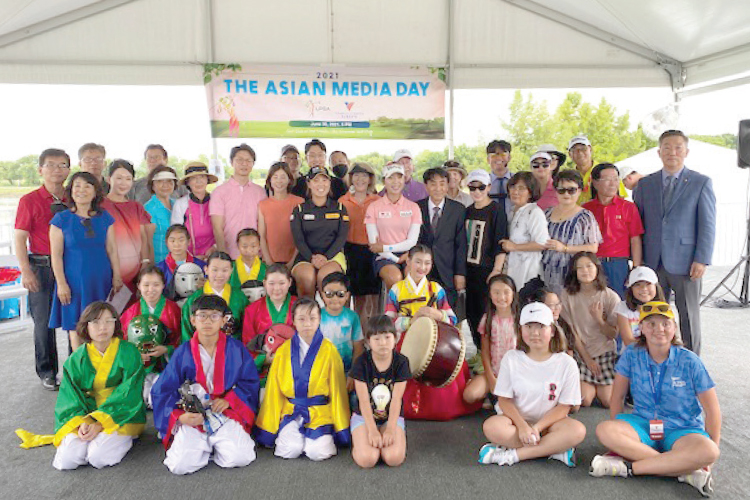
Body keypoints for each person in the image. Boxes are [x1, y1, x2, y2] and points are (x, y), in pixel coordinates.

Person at [591, 302, 721, 497]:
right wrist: (616, 437)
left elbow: (713, 411)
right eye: (651, 324)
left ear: (674, 328)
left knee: (709, 451)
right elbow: (617, 397)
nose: (659, 329)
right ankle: (681, 468)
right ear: (641, 328)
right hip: (643, 424)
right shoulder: (632, 355)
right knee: (605, 430)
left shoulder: (690, 361)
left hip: (682, 429)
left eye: (665, 324)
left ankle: (631, 467)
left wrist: (708, 462)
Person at [151, 294, 260, 475]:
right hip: (192, 413)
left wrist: (230, 400)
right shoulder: (183, 353)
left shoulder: (236, 349)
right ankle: (204, 443)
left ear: (224, 320)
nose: (208, 321)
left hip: (224, 411)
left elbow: (249, 381)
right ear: (193, 320)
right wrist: (179, 416)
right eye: (202, 315)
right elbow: (163, 390)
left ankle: (211, 443)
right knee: (180, 466)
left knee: (241, 457)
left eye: (214, 316)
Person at [634, 130, 716, 355]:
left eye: (678, 147)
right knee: (652, 315)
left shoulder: (701, 182)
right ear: (659, 152)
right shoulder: (645, 184)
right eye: (667, 147)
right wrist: (638, 262)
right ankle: (654, 360)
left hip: (687, 262)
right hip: (652, 262)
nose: (672, 152)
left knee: (688, 315)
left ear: (686, 152)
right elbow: (637, 225)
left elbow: (707, 224)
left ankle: (691, 364)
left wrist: (702, 259)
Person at [479, 302, 585, 468]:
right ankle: (554, 449)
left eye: (541, 327)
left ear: (552, 331)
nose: (534, 333)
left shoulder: (567, 363)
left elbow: (564, 407)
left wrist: (536, 428)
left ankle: (514, 454)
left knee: (577, 430)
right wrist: (522, 426)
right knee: (492, 427)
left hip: (550, 425)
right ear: (520, 330)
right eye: (528, 327)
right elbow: (504, 400)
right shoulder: (511, 358)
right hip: (515, 423)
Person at [384, 245, 480, 420]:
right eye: (418, 262)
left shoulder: (436, 289)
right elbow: (388, 322)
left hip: (436, 341)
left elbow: (452, 319)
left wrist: (437, 314)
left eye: (427, 263)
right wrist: (411, 320)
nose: (422, 267)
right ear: (409, 261)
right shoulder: (397, 290)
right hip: (406, 340)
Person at [51, 302, 145, 470]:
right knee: (67, 460)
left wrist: (101, 422)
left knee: (98, 457)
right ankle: (90, 435)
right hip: (86, 413)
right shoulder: (77, 358)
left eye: (109, 321)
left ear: (116, 324)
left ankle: (124, 438)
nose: (103, 327)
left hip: (121, 414)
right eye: (96, 322)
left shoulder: (129, 352)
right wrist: (81, 423)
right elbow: (69, 397)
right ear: (86, 326)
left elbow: (129, 393)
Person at [255, 298, 351, 460]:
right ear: (293, 321)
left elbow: (338, 391)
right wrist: (267, 429)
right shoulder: (283, 351)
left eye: (312, 318)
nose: (307, 324)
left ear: (319, 319)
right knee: (290, 450)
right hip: (291, 410)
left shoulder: (330, 351)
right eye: (302, 319)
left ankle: (318, 438)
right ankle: (298, 437)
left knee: (317, 453)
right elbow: (274, 391)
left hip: (320, 412)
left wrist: (342, 428)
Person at [14, 148, 71, 390]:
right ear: (40, 170)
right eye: (51, 165)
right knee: (43, 323)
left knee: (74, 319)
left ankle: (75, 370)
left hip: (70, 266)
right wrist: (25, 270)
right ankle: (47, 371)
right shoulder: (29, 200)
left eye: (62, 165)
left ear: (69, 170)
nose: (57, 170)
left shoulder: (74, 197)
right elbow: (19, 238)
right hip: (41, 267)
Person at [49, 172, 122, 351]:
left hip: (101, 280)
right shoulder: (61, 219)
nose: (82, 190)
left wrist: (117, 275)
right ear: (71, 191)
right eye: (77, 186)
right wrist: (61, 284)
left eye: (87, 186)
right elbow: (56, 255)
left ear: (95, 191)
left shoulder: (105, 218)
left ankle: (103, 369)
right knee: (75, 326)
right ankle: (80, 370)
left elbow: (112, 249)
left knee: (102, 324)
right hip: (74, 283)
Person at [560, 252, 620, 408]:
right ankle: (591, 387)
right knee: (584, 400)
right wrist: (587, 359)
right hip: (581, 354)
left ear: (597, 268)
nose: (585, 271)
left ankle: (602, 387)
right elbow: (571, 331)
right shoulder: (567, 295)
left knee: (608, 401)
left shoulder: (610, 296)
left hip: (604, 353)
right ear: (574, 272)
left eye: (589, 266)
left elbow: (613, 334)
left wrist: (599, 319)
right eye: (580, 268)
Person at [350, 315, 410, 468]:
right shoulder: (361, 363)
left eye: (387, 337)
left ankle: (383, 438)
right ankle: (361, 443)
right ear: (368, 342)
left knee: (393, 458)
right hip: (364, 417)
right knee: (368, 460)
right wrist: (371, 430)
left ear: (395, 339)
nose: (383, 343)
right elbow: (363, 401)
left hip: (391, 416)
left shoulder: (401, 362)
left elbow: (397, 399)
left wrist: (390, 429)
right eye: (376, 339)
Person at [120, 265, 181, 406]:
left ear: (163, 285)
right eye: (146, 285)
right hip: (139, 366)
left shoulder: (173, 309)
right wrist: (136, 355)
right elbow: (122, 342)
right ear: (138, 286)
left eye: (156, 285)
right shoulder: (131, 312)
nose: (150, 289)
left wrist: (167, 349)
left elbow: (182, 338)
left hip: (166, 364)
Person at [583, 163, 644, 298]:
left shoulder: (628, 207)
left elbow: (635, 239)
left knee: (619, 305)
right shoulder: (586, 209)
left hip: (618, 265)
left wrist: (636, 268)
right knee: (594, 304)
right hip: (592, 263)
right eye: (607, 180)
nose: (613, 183)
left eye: (616, 179)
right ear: (595, 183)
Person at [464, 169, 508, 349]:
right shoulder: (467, 211)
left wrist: (496, 270)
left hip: (488, 269)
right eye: (472, 188)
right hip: (470, 270)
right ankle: (479, 351)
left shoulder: (496, 210)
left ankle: (489, 352)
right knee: (471, 312)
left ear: (489, 187)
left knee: (486, 311)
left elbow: (500, 242)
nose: (476, 192)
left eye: (481, 187)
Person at [290, 166, 350, 297]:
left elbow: (341, 238)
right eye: (316, 181)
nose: (320, 185)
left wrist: (326, 258)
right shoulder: (299, 209)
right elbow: (298, 239)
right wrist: (312, 258)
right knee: (306, 278)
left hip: (333, 255)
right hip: (306, 256)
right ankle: (308, 314)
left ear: (329, 183)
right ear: (309, 184)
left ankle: (328, 316)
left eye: (324, 180)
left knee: (327, 279)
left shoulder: (339, 208)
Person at [542, 170, 602, 294]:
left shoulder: (585, 216)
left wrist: (564, 248)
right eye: (561, 190)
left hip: (573, 273)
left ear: (580, 191)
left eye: (571, 190)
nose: (566, 194)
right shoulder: (546, 213)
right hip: (546, 270)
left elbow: (593, 247)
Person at [365, 163, 422, 291]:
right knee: (395, 278)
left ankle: (410, 311)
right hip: (384, 256)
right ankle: (397, 311)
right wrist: (395, 258)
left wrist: (399, 253)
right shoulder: (374, 207)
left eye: (399, 177)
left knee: (413, 279)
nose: (395, 182)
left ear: (404, 180)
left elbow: (412, 242)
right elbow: (375, 245)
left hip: (408, 254)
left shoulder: (413, 207)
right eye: (391, 178)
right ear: (384, 180)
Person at [463, 275, 518, 405]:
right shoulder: (488, 319)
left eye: (506, 292)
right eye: (496, 292)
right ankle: (490, 393)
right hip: (494, 372)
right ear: (490, 295)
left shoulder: (520, 319)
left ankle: (498, 399)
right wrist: (491, 377)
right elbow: (485, 352)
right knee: (469, 395)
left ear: (513, 293)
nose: (501, 297)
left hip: (517, 374)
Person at [417, 167, 467, 307]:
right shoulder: (416, 207)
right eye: (433, 183)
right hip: (422, 269)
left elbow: (461, 244)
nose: (438, 188)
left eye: (442, 183)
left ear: (447, 185)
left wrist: (460, 273)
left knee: (447, 314)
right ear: (426, 186)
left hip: (448, 270)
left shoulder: (458, 209)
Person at [101, 159, 152, 293]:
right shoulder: (99, 206)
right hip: (109, 271)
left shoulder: (136, 207)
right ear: (108, 179)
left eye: (128, 179)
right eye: (119, 178)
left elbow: (143, 237)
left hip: (134, 273)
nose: (123, 183)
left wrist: (145, 262)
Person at [339, 162, 380, 323]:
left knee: (375, 297)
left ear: (370, 179)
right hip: (352, 251)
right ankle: (359, 334)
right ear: (351, 178)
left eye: (364, 175)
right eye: (356, 175)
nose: (360, 179)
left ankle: (375, 332)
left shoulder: (377, 200)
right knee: (358, 297)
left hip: (373, 251)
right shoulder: (343, 201)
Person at [241, 264, 297, 383]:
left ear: (290, 282)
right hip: (264, 372)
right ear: (264, 283)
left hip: (294, 368)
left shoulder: (299, 306)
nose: (277, 288)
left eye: (282, 283)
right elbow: (247, 344)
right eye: (271, 283)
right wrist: (264, 359)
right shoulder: (251, 310)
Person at [210, 143, 267, 259]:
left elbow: (262, 225)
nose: (244, 164)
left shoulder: (260, 192)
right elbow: (217, 227)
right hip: (230, 255)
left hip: (255, 255)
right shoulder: (219, 192)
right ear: (231, 162)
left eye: (248, 160)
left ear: (253, 164)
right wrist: (224, 256)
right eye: (239, 160)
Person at [531, 286, 595, 386]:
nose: (556, 309)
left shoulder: (561, 323)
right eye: (551, 305)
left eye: (558, 304)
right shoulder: (534, 329)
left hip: (563, 368)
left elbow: (570, 350)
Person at [180, 251, 248, 342]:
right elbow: (187, 331)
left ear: (231, 271)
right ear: (206, 270)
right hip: (201, 350)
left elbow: (247, 328)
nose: (219, 275)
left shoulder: (239, 297)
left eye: (225, 270)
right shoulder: (194, 299)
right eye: (215, 270)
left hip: (232, 349)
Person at [500, 172, 549, 292]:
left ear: (530, 192)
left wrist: (515, 247)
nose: (515, 192)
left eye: (521, 188)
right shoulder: (512, 211)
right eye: (513, 187)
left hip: (528, 272)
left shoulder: (534, 212)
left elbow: (543, 243)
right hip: (512, 269)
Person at [258, 162, 303, 267]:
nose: (279, 181)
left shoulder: (299, 202)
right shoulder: (263, 205)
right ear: (270, 180)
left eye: (283, 177)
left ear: (289, 180)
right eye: (275, 177)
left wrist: (292, 262)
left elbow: (302, 235)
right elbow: (262, 236)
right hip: (269, 261)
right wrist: (269, 262)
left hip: (295, 261)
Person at [170, 162, 219, 260]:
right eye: (193, 178)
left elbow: (226, 228)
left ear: (207, 180)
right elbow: (176, 233)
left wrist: (215, 247)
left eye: (202, 177)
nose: (198, 181)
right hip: (188, 257)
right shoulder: (181, 204)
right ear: (187, 182)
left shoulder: (217, 200)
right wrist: (190, 256)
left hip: (214, 255)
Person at [319, 272, 364, 377]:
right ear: (322, 295)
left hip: (347, 371)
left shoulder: (353, 317)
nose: (335, 298)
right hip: (322, 371)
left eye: (340, 294)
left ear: (347, 295)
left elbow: (358, 347)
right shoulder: (316, 316)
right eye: (329, 294)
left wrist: (353, 374)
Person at [614, 266, 666, 351]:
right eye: (637, 285)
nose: (644, 289)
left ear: (656, 286)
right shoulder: (623, 307)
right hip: (633, 356)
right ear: (631, 289)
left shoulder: (664, 309)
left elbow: (668, 339)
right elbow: (628, 341)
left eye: (648, 284)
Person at [568, 135, 627, 204]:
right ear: (570, 154)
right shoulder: (569, 177)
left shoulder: (607, 171)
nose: (580, 153)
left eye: (583, 149)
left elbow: (621, 198)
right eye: (575, 150)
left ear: (590, 149)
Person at [156, 224, 207, 301]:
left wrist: (206, 285)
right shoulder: (159, 269)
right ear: (166, 243)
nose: (177, 244)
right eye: (172, 241)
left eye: (181, 240)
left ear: (189, 241)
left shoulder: (201, 266)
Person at [143, 165, 179, 263]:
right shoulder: (148, 208)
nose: (165, 185)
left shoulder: (178, 204)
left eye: (169, 181)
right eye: (160, 181)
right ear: (152, 185)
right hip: (160, 263)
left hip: (180, 262)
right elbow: (147, 242)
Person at [229, 228, 267, 300]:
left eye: (253, 246)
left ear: (259, 246)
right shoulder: (230, 268)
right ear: (238, 246)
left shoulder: (266, 269)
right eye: (245, 246)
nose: (249, 250)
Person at [486, 140, 513, 217]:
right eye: (494, 155)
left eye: (503, 154)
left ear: (509, 157)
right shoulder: (483, 183)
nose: (498, 158)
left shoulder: (518, 180)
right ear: (488, 159)